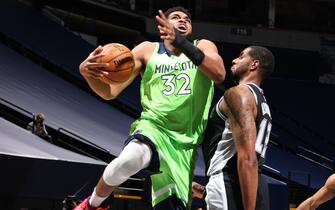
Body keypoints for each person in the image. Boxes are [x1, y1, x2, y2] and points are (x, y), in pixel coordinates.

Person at [74, 6, 225, 210]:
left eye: (187, 19)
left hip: (184, 144)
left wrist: (180, 42)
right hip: (154, 127)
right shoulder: (147, 49)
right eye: (176, 17)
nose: (183, 20)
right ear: (163, 25)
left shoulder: (203, 46)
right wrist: (87, 74)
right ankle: (92, 205)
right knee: (128, 160)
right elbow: (109, 92)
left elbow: (219, 74)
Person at [192, 46, 275, 210]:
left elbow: (247, 158)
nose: (234, 60)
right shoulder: (261, 101)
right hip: (253, 185)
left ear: (254, 64)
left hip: (229, 180)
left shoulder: (239, 94)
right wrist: (205, 191)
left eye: (241, 56)